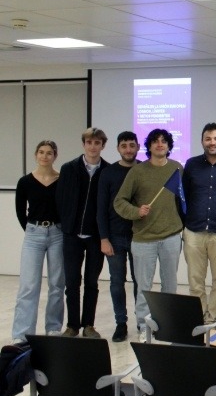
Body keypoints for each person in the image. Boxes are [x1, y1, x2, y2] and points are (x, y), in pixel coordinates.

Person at [113, 129, 185, 342]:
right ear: (149, 146)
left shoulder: (177, 169)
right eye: (155, 141)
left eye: (164, 141)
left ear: (169, 146)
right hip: (144, 239)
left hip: (171, 236)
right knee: (144, 286)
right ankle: (144, 325)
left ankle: (168, 322)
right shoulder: (137, 171)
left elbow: (182, 199)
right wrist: (136, 212)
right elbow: (119, 201)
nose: (160, 144)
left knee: (170, 285)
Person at [56, 127, 109, 338]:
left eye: (97, 143)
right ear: (83, 144)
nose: (93, 147)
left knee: (92, 283)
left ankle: (88, 325)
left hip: (96, 237)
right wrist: (67, 224)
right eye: (89, 142)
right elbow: (61, 199)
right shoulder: (69, 168)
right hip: (72, 236)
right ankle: (72, 326)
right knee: (72, 283)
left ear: (103, 146)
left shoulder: (108, 170)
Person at [11, 141, 64, 343]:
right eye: (41, 152)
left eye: (49, 153)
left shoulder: (62, 180)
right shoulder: (25, 181)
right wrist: (32, 230)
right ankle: (22, 333)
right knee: (29, 285)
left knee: (57, 284)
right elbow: (20, 211)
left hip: (57, 234)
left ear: (55, 156)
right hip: (33, 235)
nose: (44, 156)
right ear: (36, 155)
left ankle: (53, 328)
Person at [182, 123, 216, 323]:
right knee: (195, 280)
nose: (212, 143)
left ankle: (213, 317)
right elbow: (184, 196)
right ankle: (199, 315)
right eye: (208, 139)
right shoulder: (191, 164)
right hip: (194, 231)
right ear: (202, 141)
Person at [96, 131, 140, 342]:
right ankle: (121, 323)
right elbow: (101, 208)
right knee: (116, 282)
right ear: (118, 148)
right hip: (114, 237)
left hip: (140, 236)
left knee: (141, 281)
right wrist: (104, 238)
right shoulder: (108, 173)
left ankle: (142, 321)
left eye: (132, 145)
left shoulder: (144, 169)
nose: (128, 150)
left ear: (138, 147)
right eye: (124, 146)